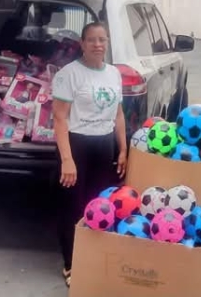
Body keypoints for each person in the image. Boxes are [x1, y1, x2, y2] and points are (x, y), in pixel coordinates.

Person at [51, 21, 127, 288]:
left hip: (104, 144)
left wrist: (123, 149)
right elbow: (60, 119)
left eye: (102, 40)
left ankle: (94, 260)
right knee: (72, 206)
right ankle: (71, 263)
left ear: (107, 43)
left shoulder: (114, 74)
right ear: (82, 44)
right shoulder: (69, 74)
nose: (98, 45)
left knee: (99, 205)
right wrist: (67, 159)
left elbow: (118, 115)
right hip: (76, 144)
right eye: (92, 40)